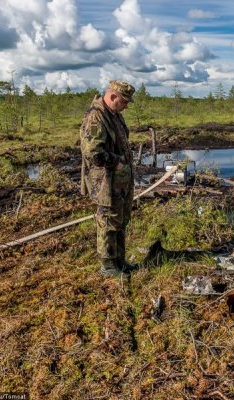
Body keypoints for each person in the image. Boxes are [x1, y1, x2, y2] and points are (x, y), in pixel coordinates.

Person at [79, 80, 136, 277]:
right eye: (124, 101)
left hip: (119, 181)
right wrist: (117, 162)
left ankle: (119, 260)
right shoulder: (96, 116)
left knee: (120, 219)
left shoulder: (114, 115)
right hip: (106, 182)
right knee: (108, 221)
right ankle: (108, 265)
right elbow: (93, 153)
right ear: (112, 97)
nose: (126, 106)